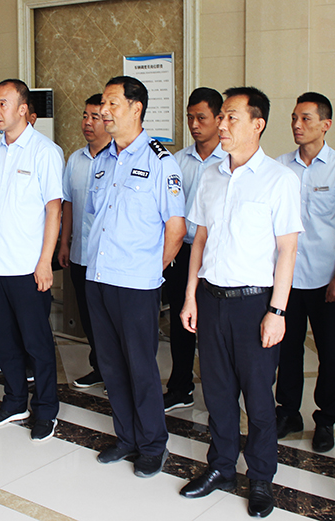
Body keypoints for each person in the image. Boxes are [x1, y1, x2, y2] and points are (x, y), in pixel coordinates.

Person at [179, 87, 302, 518]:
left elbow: (287, 250)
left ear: (257, 124)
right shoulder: (210, 176)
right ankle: (222, 467)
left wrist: (277, 311)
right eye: (222, 117)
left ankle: (262, 478)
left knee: (259, 399)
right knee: (217, 392)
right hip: (211, 299)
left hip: (255, 304)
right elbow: (200, 240)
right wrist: (190, 296)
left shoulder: (280, 180)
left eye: (232, 117)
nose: (222, 125)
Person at [85, 76, 186, 478]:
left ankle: (152, 444)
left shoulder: (161, 162)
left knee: (141, 368)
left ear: (136, 108)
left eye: (112, 103)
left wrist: (148, 270)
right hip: (99, 278)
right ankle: (126, 437)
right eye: (103, 103)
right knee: (111, 366)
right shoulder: (102, 160)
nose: (104, 111)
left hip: (136, 284)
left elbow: (176, 229)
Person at [0, 79, 63, 442]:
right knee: (4, 341)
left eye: (3, 104)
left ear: (23, 109)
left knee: (36, 344)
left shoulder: (45, 152)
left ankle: (46, 409)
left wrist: (45, 262)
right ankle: (14, 402)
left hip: (28, 267)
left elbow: (54, 210)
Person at [274, 92, 335, 452]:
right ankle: (288, 412)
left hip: (327, 278)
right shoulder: (280, 166)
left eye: (306, 118)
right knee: (287, 350)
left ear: (326, 124)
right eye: (294, 118)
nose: (297, 125)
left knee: (328, 353)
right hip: (288, 278)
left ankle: (325, 419)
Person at [163, 87, 226, 411]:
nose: (194, 124)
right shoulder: (177, 161)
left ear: (219, 118)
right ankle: (180, 386)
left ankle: (221, 396)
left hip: (217, 255)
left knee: (214, 326)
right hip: (183, 251)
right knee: (180, 321)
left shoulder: (229, 162)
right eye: (190, 118)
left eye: (201, 117)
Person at [60, 94, 112, 389]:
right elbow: (67, 203)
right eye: (85, 116)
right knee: (89, 317)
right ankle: (100, 367)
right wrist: (64, 243)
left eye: (95, 117)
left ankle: (116, 371)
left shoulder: (117, 159)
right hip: (80, 254)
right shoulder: (75, 160)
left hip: (108, 259)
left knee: (109, 319)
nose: (87, 123)